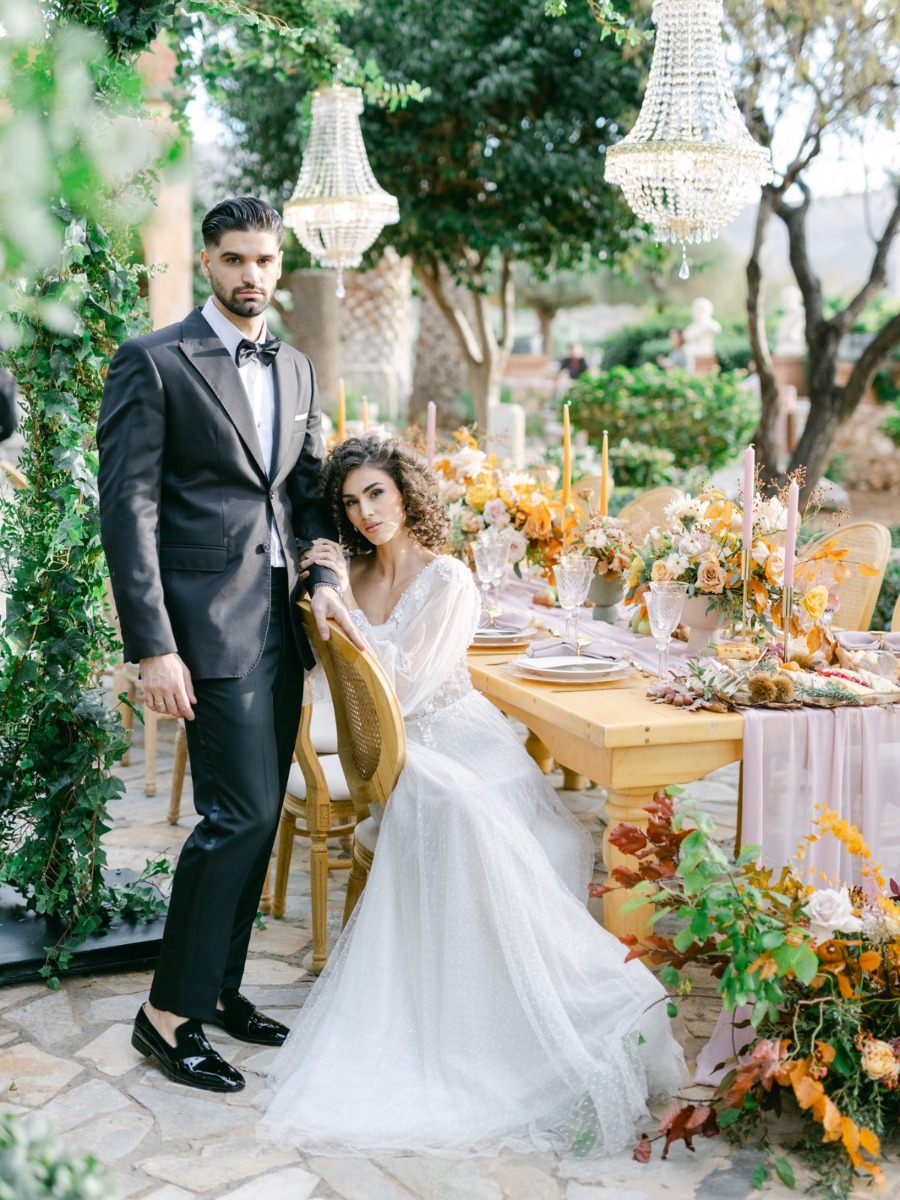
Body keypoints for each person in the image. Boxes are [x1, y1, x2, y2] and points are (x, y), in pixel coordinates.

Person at [257, 435, 686, 1157]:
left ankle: (543, 1006)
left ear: (406, 495)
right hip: (398, 754)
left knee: (509, 823)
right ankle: (462, 1018)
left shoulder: (450, 578)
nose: (366, 513)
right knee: (452, 808)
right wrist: (331, 585)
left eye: (378, 494)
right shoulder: (346, 578)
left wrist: (344, 606)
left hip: (466, 742)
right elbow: (374, 694)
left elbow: (405, 687)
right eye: (352, 501)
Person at [97, 196, 362, 1094]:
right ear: (207, 262)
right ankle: (166, 1016)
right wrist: (152, 648)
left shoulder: (297, 367)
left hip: (283, 630)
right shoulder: (154, 361)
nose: (252, 276)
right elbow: (126, 511)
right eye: (235, 260)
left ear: (280, 264)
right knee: (238, 817)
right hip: (204, 631)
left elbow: (313, 495)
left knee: (251, 822)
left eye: (265, 260)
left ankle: (219, 988)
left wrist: (325, 577)